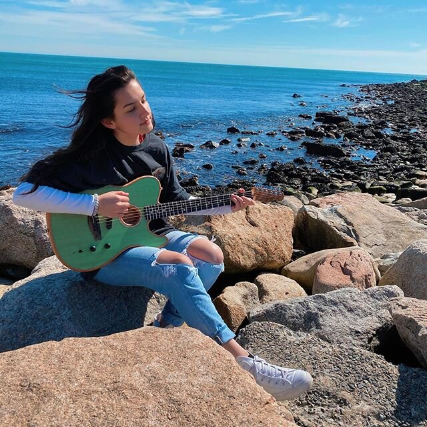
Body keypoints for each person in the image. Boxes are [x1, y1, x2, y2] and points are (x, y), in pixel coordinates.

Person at [13, 65, 312, 401]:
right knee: (179, 265)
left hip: (149, 236)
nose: (145, 111)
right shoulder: (88, 157)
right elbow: (23, 194)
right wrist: (95, 205)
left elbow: (178, 202)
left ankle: (167, 326)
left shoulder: (156, 148)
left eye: (143, 100)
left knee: (212, 256)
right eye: (131, 108)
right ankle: (242, 361)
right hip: (102, 254)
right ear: (109, 121)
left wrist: (227, 205)